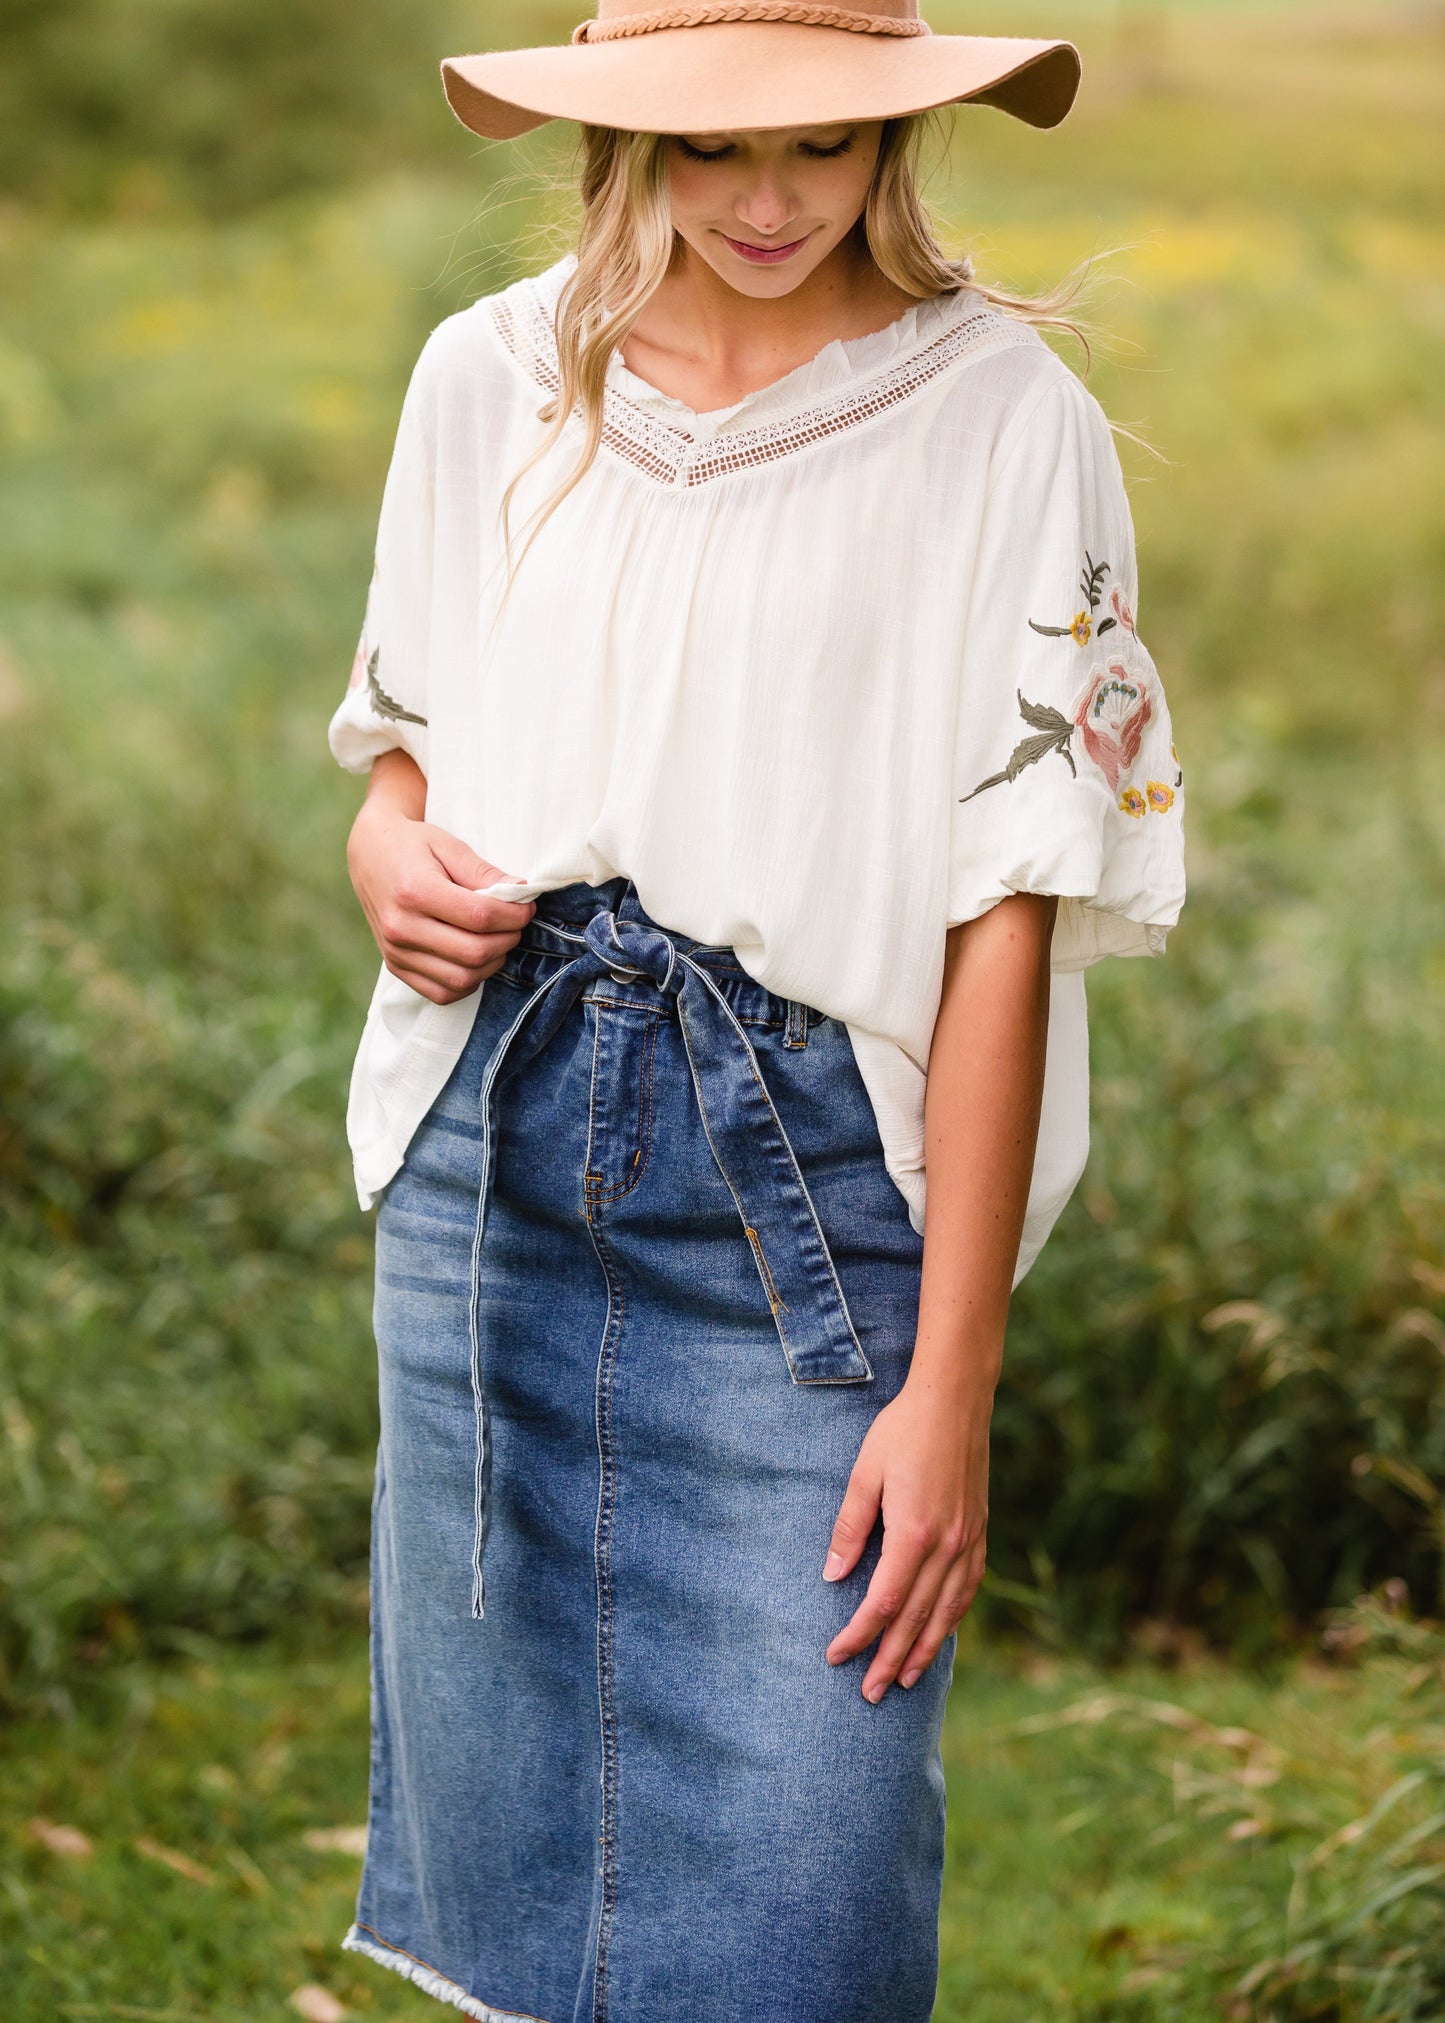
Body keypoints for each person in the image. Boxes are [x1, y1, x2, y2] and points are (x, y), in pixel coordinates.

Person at [327, 5, 1185, 2018]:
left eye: (824, 144)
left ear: (900, 132)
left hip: (809, 1192)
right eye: (715, 152)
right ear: (623, 145)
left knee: (809, 1878)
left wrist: (948, 1381)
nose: (772, 200)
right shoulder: (489, 374)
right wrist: (388, 859)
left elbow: (1010, 915)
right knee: (516, 1860)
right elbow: (404, 743)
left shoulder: (1002, 416)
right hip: (488, 1157)